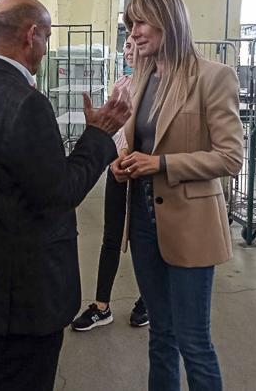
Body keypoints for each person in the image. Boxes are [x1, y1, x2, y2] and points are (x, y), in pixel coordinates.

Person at [0, 0, 131, 391]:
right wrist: (99, 136)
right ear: (32, 35)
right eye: (46, 37)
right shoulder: (26, 103)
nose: (45, 48)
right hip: (24, 292)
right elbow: (60, 192)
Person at [115, 0, 243, 390]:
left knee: (193, 341)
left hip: (191, 225)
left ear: (169, 20)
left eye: (141, 21)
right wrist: (121, 161)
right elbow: (132, 138)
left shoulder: (214, 77)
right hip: (142, 222)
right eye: (129, 24)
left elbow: (230, 157)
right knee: (161, 336)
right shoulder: (140, 77)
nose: (133, 32)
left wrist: (162, 164)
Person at [71, 36, 148, 331]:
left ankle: (148, 298)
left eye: (136, 44)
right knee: (111, 237)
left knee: (144, 239)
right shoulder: (121, 85)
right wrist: (112, 159)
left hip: (147, 173)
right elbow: (114, 130)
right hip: (118, 168)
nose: (129, 50)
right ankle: (102, 306)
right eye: (127, 45)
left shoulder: (161, 88)